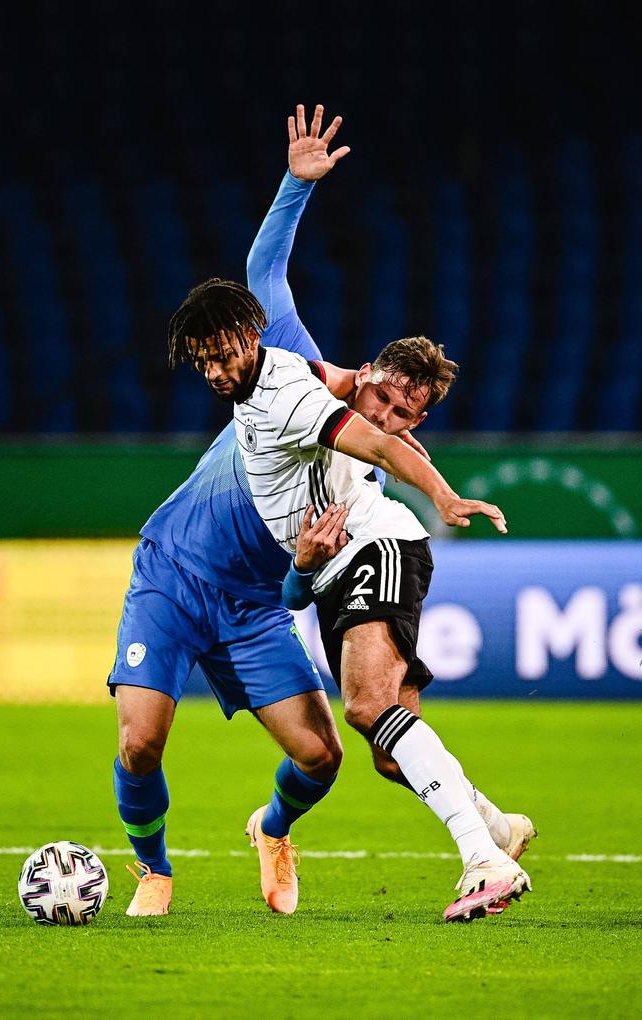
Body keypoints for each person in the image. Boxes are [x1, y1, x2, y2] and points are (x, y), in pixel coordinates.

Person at [115, 104, 534, 923]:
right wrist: (293, 187)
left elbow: (303, 583)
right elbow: (262, 270)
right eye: (390, 400)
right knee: (143, 741)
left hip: (256, 598)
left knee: (330, 753)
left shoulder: (358, 475)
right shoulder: (287, 367)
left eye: (413, 421)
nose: (395, 421)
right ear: (372, 368)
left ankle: (275, 830)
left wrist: (308, 567)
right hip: (175, 566)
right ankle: (153, 870)